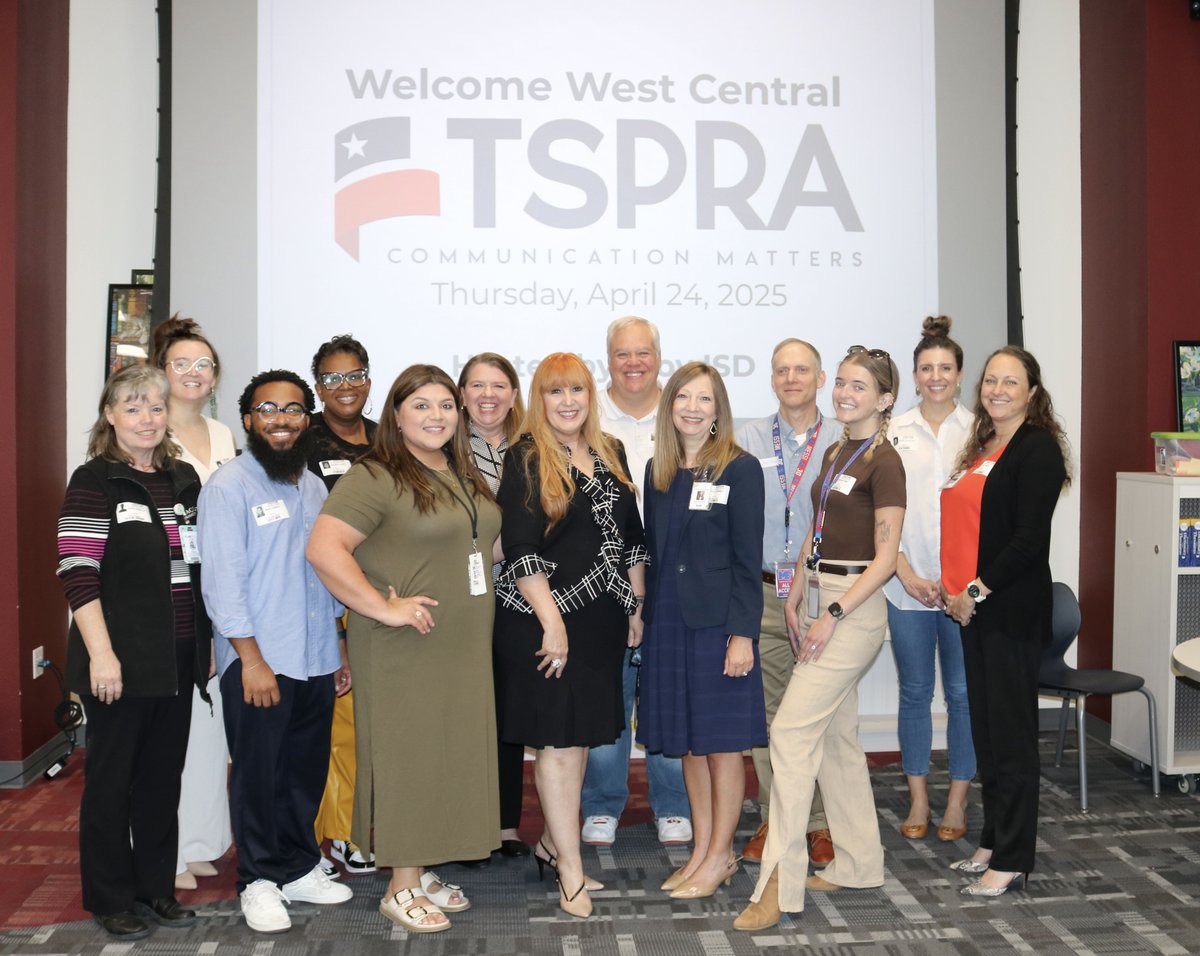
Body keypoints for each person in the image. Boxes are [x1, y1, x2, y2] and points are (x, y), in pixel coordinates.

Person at [306, 364, 502, 934]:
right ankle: (400, 884)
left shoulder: (458, 470)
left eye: (445, 405)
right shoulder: (375, 474)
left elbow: (479, 545)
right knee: (410, 756)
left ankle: (424, 868)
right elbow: (324, 549)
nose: (436, 415)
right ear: (396, 414)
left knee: (449, 752)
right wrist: (381, 606)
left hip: (459, 643)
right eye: (421, 405)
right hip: (402, 643)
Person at [735, 346, 906, 931]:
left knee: (788, 732)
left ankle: (777, 884)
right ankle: (860, 863)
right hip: (816, 595)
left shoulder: (886, 461)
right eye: (841, 383)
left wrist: (832, 609)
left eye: (859, 386)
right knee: (838, 740)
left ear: (885, 399)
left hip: (852, 608)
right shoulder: (837, 448)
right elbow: (819, 531)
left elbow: (885, 558)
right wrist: (796, 589)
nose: (844, 393)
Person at [197, 370, 353, 934]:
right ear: (247, 420)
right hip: (260, 660)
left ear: (307, 419)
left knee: (303, 770)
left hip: (313, 657)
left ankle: (296, 866)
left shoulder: (312, 486)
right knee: (259, 774)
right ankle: (258, 881)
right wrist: (252, 659)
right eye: (268, 409)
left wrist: (337, 646)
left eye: (292, 409)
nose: (281, 420)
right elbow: (223, 585)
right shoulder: (228, 487)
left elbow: (323, 575)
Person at [56, 364, 208, 940]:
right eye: (134, 407)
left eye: (156, 407)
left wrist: (206, 646)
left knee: (161, 779)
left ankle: (154, 887)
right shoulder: (95, 480)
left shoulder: (184, 479)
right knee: (111, 782)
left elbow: (196, 568)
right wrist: (102, 654)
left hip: (177, 654)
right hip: (119, 658)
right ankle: (110, 895)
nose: (147, 418)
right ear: (110, 416)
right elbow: (77, 571)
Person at [494, 352, 647, 918]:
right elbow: (521, 547)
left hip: (602, 621)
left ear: (591, 395)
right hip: (541, 622)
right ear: (540, 398)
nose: (567, 402)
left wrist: (635, 605)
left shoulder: (612, 451)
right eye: (555, 392)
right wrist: (552, 623)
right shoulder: (526, 457)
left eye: (577, 391)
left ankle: (555, 846)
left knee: (579, 739)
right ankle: (572, 874)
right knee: (558, 746)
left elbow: (630, 536)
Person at [939, 346, 1070, 897]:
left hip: (1007, 610)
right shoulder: (986, 444)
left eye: (1010, 382)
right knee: (989, 734)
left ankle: (1014, 857)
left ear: (1032, 393)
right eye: (991, 380)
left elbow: (1027, 541)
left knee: (1013, 739)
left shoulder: (1037, 449)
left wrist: (975, 590)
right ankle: (994, 838)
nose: (997, 389)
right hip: (976, 611)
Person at [636, 362, 766, 900]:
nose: (692, 407)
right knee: (689, 746)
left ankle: (721, 855)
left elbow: (745, 559)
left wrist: (743, 634)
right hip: (669, 621)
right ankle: (701, 851)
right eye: (683, 397)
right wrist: (641, 613)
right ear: (669, 406)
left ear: (718, 410)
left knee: (722, 747)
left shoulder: (740, 468)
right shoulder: (658, 469)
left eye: (704, 399)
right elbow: (654, 551)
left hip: (718, 627)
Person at [584, 316, 691, 848]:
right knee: (609, 692)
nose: (633, 363)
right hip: (604, 579)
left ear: (658, 356)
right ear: (608, 358)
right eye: (623, 354)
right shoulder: (586, 414)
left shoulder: (679, 413)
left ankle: (672, 803)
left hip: (670, 574)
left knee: (666, 690)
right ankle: (602, 802)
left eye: (643, 353)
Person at [735, 338, 839, 865]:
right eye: (782, 370)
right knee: (771, 715)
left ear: (821, 379)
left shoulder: (847, 439)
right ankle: (775, 817)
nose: (792, 378)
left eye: (802, 370)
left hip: (826, 597)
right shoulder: (743, 437)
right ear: (772, 379)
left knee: (822, 714)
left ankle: (821, 822)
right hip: (762, 593)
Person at [883, 316, 977, 841]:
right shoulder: (893, 432)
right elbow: (881, 512)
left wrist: (965, 585)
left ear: (960, 375)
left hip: (965, 595)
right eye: (926, 368)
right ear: (914, 377)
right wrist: (906, 572)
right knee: (915, 693)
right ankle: (919, 798)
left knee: (963, 695)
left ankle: (958, 800)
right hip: (907, 588)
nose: (936, 376)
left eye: (946, 367)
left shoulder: (981, 431)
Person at [152, 316, 235, 893]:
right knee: (172, 728)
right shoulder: (147, 433)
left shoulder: (225, 433)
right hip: (171, 590)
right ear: (161, 371)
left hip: (221, 587)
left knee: (212, 725)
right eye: (181, 363)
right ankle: (166, 846)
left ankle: (201, 840)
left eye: (202, 364)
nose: (192, 373)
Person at [306, 335, 378, 879]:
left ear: (369, 379)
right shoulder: (300, 443)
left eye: (354, 375)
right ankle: (320, 840)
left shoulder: (387, 441)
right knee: (329, 730)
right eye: (332, 379)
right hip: (319, 600)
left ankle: (355, 832)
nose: (345, 386)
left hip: (378, 597)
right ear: (317, 388)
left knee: (367, 730)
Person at [458, 352, 530, 861]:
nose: (489, 395)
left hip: (519, 596)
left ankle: (505, 825)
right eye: (477, 385)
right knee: (461, 709)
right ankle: (462, 825)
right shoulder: (443, 444)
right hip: (459, 595)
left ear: (513, 393)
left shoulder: (532, 446)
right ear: (461, 394)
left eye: (499, 385)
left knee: (508, 708)